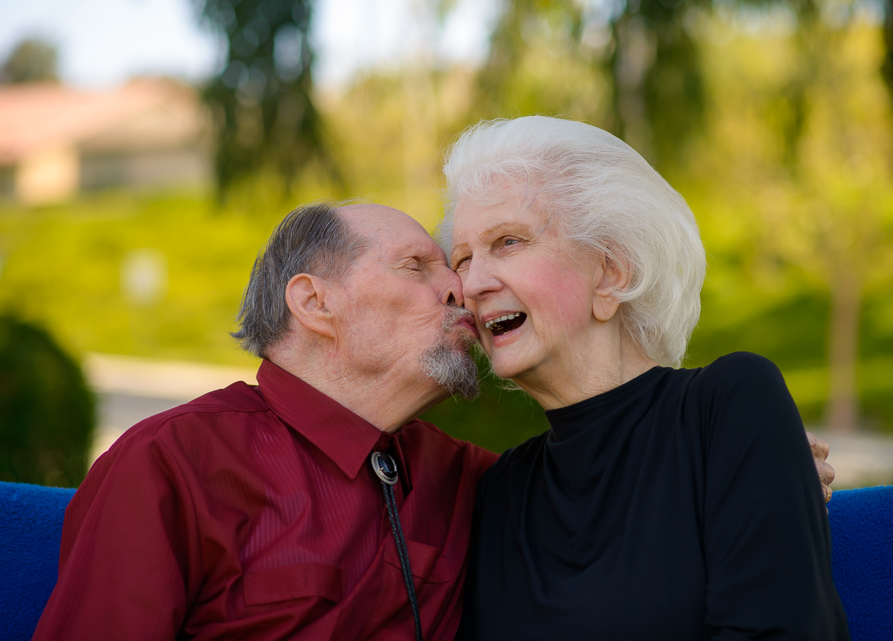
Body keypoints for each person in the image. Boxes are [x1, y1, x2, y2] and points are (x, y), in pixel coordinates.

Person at [33, 200, 835, 640]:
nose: (463, 289)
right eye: (420, 267)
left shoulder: (474, 481)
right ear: (314, 302)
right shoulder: (170, 466)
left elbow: (622, 488)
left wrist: (762, 465)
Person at [440, 116, 849, 640]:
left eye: (509, 243)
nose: (471, 284)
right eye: (464, 259)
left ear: (612, 273)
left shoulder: (729, 407)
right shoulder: (500, 492)